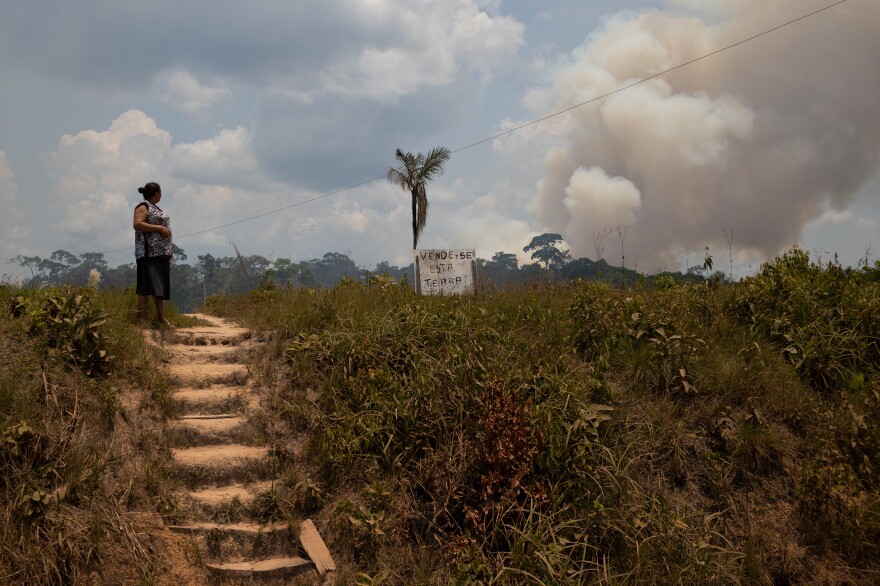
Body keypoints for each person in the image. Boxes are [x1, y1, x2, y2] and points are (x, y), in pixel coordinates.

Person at [133, 182, 173, 325]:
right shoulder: (143, 207)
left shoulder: (156, 208)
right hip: (148, 253)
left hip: (161, 253)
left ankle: (161, 319)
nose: (161, 195)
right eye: (160, 192)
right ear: (156, 193)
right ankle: (142, 319)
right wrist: (159, 228)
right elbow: (137, 224)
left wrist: (168, 249)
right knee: (144, 287)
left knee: (159, 288)